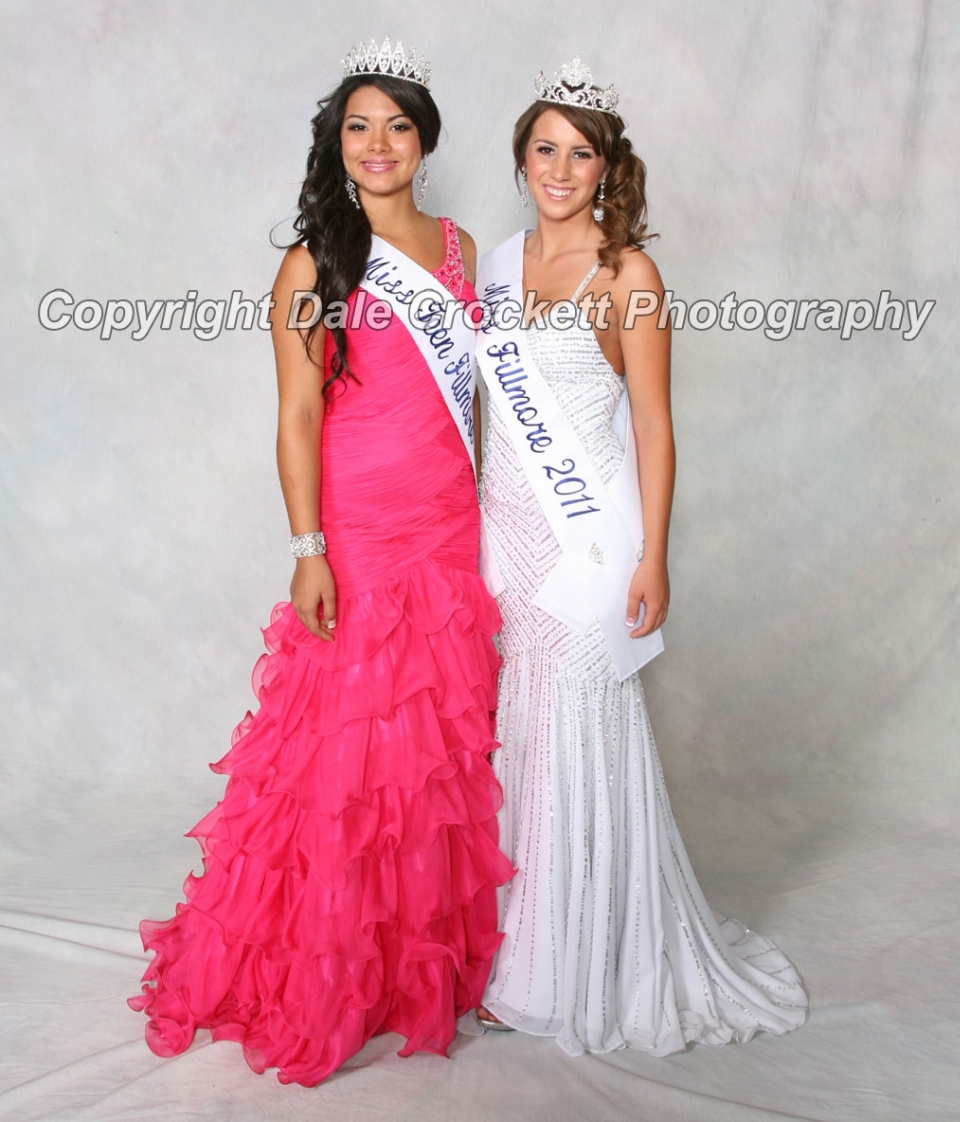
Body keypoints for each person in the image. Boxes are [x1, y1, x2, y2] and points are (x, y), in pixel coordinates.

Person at [129, 38, 512, 1086]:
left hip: (447, 521)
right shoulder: (312, 260)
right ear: (334, 144)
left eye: (397, 124)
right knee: (347, 752)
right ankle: (330, 965)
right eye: (358, 125)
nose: (378, 144)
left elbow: (471, 391)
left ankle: (410, 966)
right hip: (358, 522)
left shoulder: (462, 247)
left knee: (429, 748)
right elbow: (297, 414)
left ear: (425, 140)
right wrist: (310, 547)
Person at [473, 57, 808, 1055]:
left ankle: (566, 968)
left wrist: (651, 557)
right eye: (545, 150)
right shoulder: (495, 263)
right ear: (521, 159)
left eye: (581, 153)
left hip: (587, 544)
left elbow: (655, 429)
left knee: (577, 737)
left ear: (608, 167)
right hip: (507, 542)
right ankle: (515, 944)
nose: (561, 170)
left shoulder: (629, 276)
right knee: (522, 740)